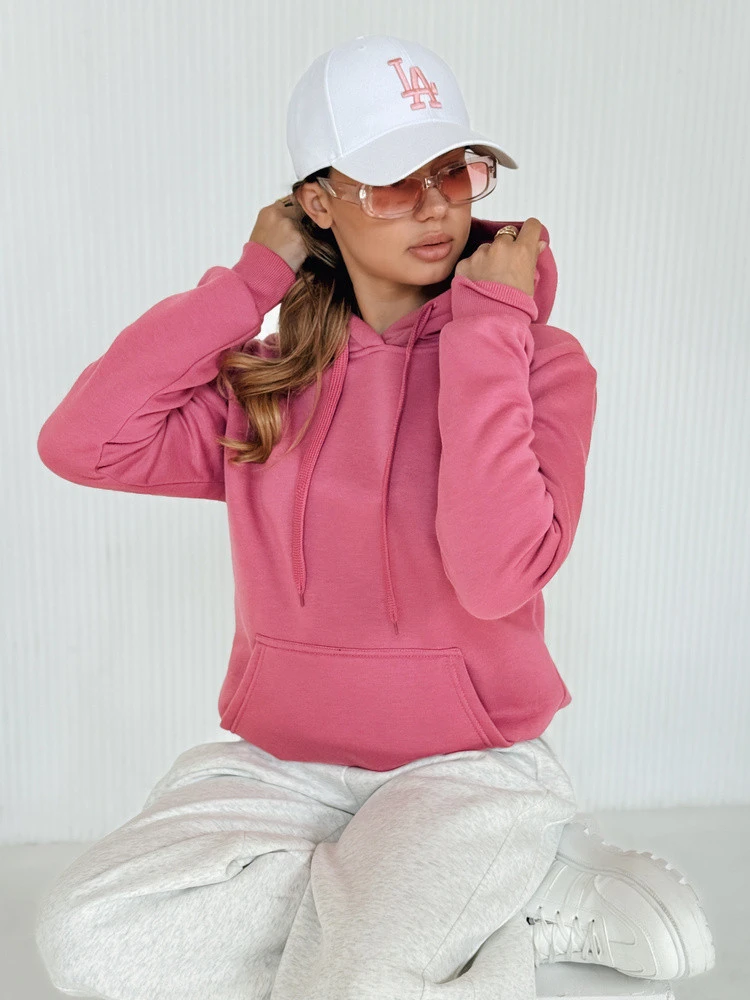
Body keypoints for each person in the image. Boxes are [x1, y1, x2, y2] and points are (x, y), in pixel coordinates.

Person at [33, 33, 714, 1000]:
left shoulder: (539, 364)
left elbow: (495, 572)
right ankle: (498, 896)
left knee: (354, 982)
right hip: (282, 770)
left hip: (466, 768)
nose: (436, 205)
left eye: (454, 171)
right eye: (394, 181)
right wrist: (249, 284)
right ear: (318, 203)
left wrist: (490, 324)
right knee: (92, 941)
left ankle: (454, 887)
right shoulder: (271, 381)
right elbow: (82, 444)